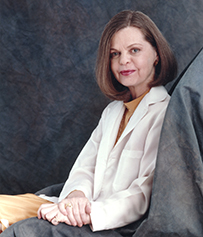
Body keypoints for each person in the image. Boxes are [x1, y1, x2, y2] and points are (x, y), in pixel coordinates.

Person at [0, 10, 177, 236]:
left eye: (134, 50)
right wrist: (76, 196)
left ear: (156, 55)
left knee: (23, 231)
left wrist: (89, 212)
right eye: (115, 53)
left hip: (108, 219)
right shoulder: (112, 111)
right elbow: (86, 167)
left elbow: (144, 193)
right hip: (77, 206)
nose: (124, 60)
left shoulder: (165, 112)